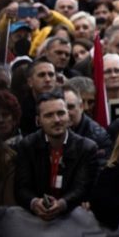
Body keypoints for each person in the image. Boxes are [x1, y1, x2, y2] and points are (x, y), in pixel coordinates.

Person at [14, 91, 99, 220]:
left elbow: (83, 187)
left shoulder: (87, 148)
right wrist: (35, 202)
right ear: (38, 120)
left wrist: (63, 203)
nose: (57, 120)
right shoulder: (26, 146)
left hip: (73, 222)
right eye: (49, 115)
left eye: (61, 113)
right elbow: (21, 187)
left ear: (68, 116)